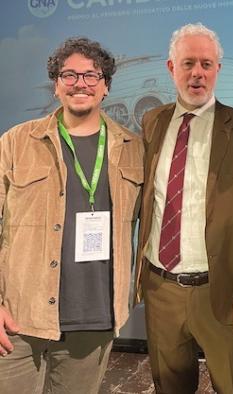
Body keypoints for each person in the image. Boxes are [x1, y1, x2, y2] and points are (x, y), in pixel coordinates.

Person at [133, 23, 233, 394]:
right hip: (162, 289)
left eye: (206, 64)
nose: (197, 73)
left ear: (217, 70)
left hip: (223, 292)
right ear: (171, 68)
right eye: (188, 63)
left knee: (232, 385)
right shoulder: (152, 123)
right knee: (169, 386)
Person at [0, 37, 144, 393]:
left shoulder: (134, 150)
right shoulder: (16, 142)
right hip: (19, 319)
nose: (81, 84)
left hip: (94, 319)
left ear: (106, 86)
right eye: (69, 75)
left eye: (91, 75)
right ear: (56, 84)